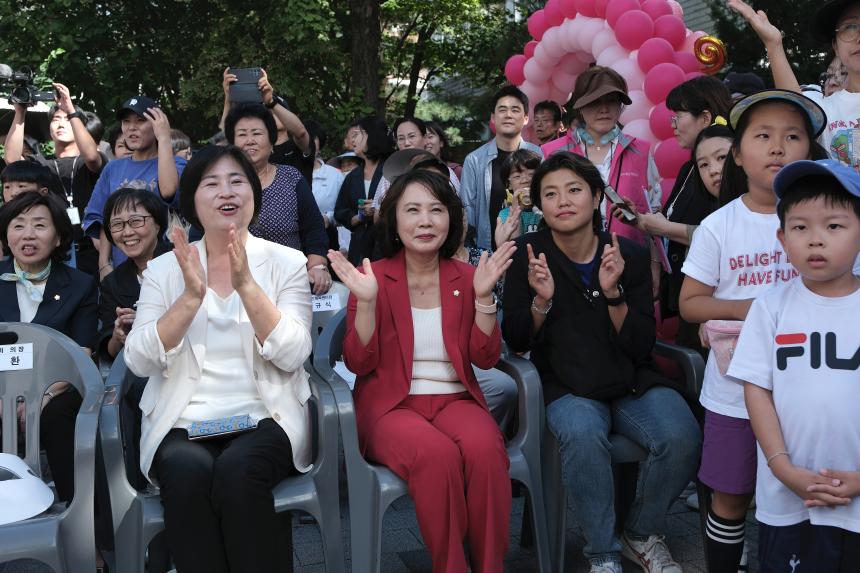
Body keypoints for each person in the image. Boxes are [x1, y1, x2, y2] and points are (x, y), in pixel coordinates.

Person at [502, 152, 700, 573]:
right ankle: (603, 554)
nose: (563, 201)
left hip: (629, 379)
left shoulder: (624, 251)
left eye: (574, 190)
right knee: (582, 433)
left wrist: (614, 295)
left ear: (596, 198)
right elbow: (516, 338)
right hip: (566, 384)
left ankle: (642, 532)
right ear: (540, 205)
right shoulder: (527, 253)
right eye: (550, 194)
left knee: (682, 435)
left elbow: (640, 343)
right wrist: (542, 300)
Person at [123, 145, 314, 573]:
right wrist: (190, 299)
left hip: (265, 414)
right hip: (182, 418)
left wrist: (247, 285)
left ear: (253, 194)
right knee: (187, 478)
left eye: (237, 181)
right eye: (211, 183)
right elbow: (138, 361)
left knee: (239, 474)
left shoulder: (287, 262)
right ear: (192, 200)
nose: (226, 191)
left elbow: (295, 353)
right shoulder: (164, 270)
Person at [329, 169, 515, 573]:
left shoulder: (467, 277)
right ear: (394, 219)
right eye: (412, 210)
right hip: (390, 407)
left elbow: (484, 358)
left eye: (436, 210)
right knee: (437, 455)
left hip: (455, 399)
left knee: (486, 451)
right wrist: (366, 305)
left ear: (451, 219)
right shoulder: (373, 276)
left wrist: (484, 297)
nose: (426, 221)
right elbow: (358, 363)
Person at [678, 90, 832, 573]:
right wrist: (760, 308)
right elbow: (689, 304)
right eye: (762, 136)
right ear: (738, 155)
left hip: (812, 394)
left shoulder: (829, 221)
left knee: (810, 495)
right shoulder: (718, 227)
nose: (778, 147)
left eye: (792, 136)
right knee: (731, 494)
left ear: (810, 149)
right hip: (734, 396)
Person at [726, 159, 860, 572]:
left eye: (834, 226)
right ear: (782, 238)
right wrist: (781, 467)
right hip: (789, 498)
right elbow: (757, 390)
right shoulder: (770, 306)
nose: (815, 240)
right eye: (801, 228)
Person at [0, 192, 100, 562]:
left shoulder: (80, 284)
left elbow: (83, 351)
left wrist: (42, 395)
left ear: (58, 237)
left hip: (57, 388)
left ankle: (85, 540)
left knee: (62, 419)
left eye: (40, 225)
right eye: (18, 225)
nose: (28, 234)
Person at [730, 0, 860, 166]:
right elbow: (795, 107)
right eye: (850, 26)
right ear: (835, 45)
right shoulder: (824, 110)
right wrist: (773, 45)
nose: (858, 37)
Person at [541, 67, 661, 247]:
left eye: (612, 101)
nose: (604, 109)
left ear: (620, 106)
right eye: (595, 101)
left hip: (629, 260)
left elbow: (654, 209)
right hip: (569, 260)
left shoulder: (640, 151)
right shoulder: (553, 153)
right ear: (580, 107)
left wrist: (654, 261)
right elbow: (541, 209)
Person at [224, 103, 331, 295]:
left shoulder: (291, 178)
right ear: (232, 144)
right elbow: (202, 234)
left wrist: (317, 266)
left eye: (256, 133)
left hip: (289, 285)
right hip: (232, 288)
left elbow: (314, 229)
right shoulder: (221, 185)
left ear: (272, 141)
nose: (249, 141)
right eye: (242, 135)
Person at [4, 83, 108, 277]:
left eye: (66, 119)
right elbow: (11, 159)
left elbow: (93, 158)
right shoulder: (41, 163)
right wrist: (20, 111)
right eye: (55, 119)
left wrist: (71, 109)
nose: (60, 124)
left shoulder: (88, 161)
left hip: (93, 251)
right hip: (55, 253)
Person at [83, 96, 184, 278]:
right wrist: (104, 264)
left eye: (140, 121)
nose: (131, 128)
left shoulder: (177, 164)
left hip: (169, 268)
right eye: (126, 122)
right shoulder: (113, 168)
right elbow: (102, 218)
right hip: (124, 271)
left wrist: (164, 138)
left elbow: (169, 192)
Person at [462, 85, 543, 251]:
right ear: (493, 117)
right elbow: (467, 209)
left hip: (534, 251)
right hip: (487, 252)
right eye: (502, 110)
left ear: (526, 118)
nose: (508, 115)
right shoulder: (474, 160)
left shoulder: (539, 155)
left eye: (515, 110)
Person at [99, 188, 171, 359]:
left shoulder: (182, 262)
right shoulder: (112, 283)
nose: (127, 232)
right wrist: (118, 336)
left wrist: (144, 321)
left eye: (136, 221)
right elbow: (111, 352)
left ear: (158, 224)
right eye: (117, 225)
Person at [220, 68, 315, 184]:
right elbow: (224, 138)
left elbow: (301, 132)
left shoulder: (296, 147)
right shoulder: (255, 151)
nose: (273, 112)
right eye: (268, 110)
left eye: (278, 109)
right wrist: (228, 97)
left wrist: (271, 102)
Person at [334, 116, 393, 265]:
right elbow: (340, 211)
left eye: (357, 134)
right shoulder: (352, 176)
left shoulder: (392, 170)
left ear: (371, 136)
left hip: (386, 247)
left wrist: (378, 208)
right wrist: (359, 217)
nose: (353, 140)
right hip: (359, 249)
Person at [306, 121, 345, 252]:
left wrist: (328, 217)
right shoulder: (289, 172)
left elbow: (344, 209)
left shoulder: (335, 176)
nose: (309, 143)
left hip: (327, 239)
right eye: (305, 137)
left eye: (314, 139)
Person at [494, 149, 543, 247]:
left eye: (531, 174)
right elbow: (515, 245)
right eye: (517, 176)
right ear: (509, 185)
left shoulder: (547, 209)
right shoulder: (505, 215)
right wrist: (517, 211)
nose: (525, 180)